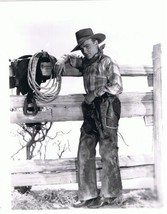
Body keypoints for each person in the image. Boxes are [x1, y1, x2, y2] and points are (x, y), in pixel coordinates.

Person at [55, 28, 123, 208]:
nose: (85, 50)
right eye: (82, 48)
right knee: (85, 150)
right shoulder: (85, 62)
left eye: (87, 46)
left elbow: (117, 86)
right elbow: (70, 57)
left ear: (96, 43)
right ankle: (88, 194)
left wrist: (95, 93)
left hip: (107, 106)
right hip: (91, 109)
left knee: (108, 150)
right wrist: (62, 59)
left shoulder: (107, 61)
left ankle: (110, 195)